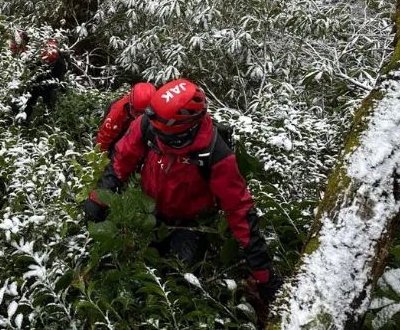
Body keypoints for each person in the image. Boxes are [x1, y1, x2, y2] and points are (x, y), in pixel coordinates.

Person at [82, 79, 283, 304]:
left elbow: (239, 209)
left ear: (186, 131)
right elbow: (122, 159)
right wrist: (98, 198)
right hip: (151, 210)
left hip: (191, 222)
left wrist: (262, 272)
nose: (158, 139)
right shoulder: (148, 124)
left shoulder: (216, 155)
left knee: (180, 280)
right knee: (144, 268)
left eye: (165, 136)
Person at [95, 82, 156, 155]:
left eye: (145, 113)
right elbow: (104, 139)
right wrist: (100, 157)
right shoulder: (117, 114)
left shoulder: (158, 107)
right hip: (122, 127)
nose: (141, 116)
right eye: (138, 112)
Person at [18, 40, 68, 120]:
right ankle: (25, 116)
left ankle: (47, 118)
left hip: (52, 83)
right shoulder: (41, 57)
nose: (45, 62)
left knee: (50, 99)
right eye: (44, 60)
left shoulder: (60, 63)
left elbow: (59, 78)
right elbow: (32, 68)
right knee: (33, 96)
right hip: (39, 81)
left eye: (47, 61)